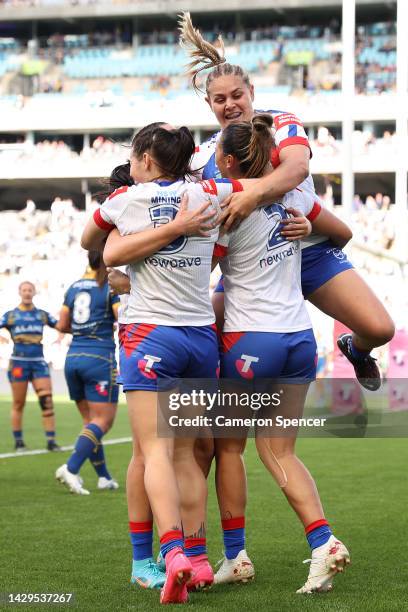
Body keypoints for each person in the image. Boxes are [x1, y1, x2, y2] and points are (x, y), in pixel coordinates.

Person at [81, 121, 302, 603]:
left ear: (143, 158)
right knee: (187, 453)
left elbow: (91, 243)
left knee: (151, 454)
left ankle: (170, 553)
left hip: (149, 333)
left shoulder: (127, 199)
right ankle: (199, 559)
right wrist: (298, 214)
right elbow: (264, 187)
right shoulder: (212, 191)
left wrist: (154, 229)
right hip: (200, 338)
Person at [179, 11, 395, 392]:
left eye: (236, 95)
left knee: (379, 329)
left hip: (306, 248)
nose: (229, 104)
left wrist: (251, 196)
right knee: (197, 328)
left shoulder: (280, 122)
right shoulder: (205, 154)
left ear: (252, 94)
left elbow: (295, 169)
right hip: (252, 268)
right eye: (219, 99)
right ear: (209, 104)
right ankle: (202, 412)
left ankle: (355, 349)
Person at [212, 115, 351, 594]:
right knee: (280, 450)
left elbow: (196, 273)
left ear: (228, 160)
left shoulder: (227, 202)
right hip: (298, 339)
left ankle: (236, 556)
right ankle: (321, 541)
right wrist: (300, 228)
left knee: (230, 447)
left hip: (251, 339)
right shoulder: (298, 197)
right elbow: (345, 234)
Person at [55, 251, 120, 495]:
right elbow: (120, 317)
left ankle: (104, 477)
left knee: (90, 422)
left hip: (73, 358)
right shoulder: (109, 286)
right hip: (99, 357)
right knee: (103, 420)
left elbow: (62, 325)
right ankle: (71, 468)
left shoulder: (73, 287)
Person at [0, 281, 61, 451]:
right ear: (20, 292)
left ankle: (51, 441)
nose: (27, 293)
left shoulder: (42, 315)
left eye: (30, 290)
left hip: (38, 362)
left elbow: (62, 326)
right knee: (19, 403)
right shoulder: (11, 315)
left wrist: (61, 337)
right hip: (18, 362)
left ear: (34, 293)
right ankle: (19, 442)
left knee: (47, 401)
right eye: (24, 290)